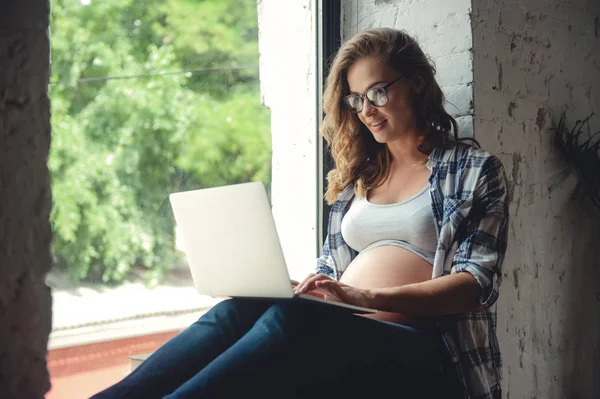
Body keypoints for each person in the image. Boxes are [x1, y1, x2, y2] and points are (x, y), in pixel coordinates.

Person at [91, 27, 509, 399]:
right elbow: (332, 267)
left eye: (378, 92)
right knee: (236, 311)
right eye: (357, 99)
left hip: (427, 351)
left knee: (291, 324)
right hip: (349, 333)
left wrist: (361, 296)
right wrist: (307, 287)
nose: (366, 110)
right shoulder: (358, 180)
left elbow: (473, 285)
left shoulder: (473, 171)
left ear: (417, 84)